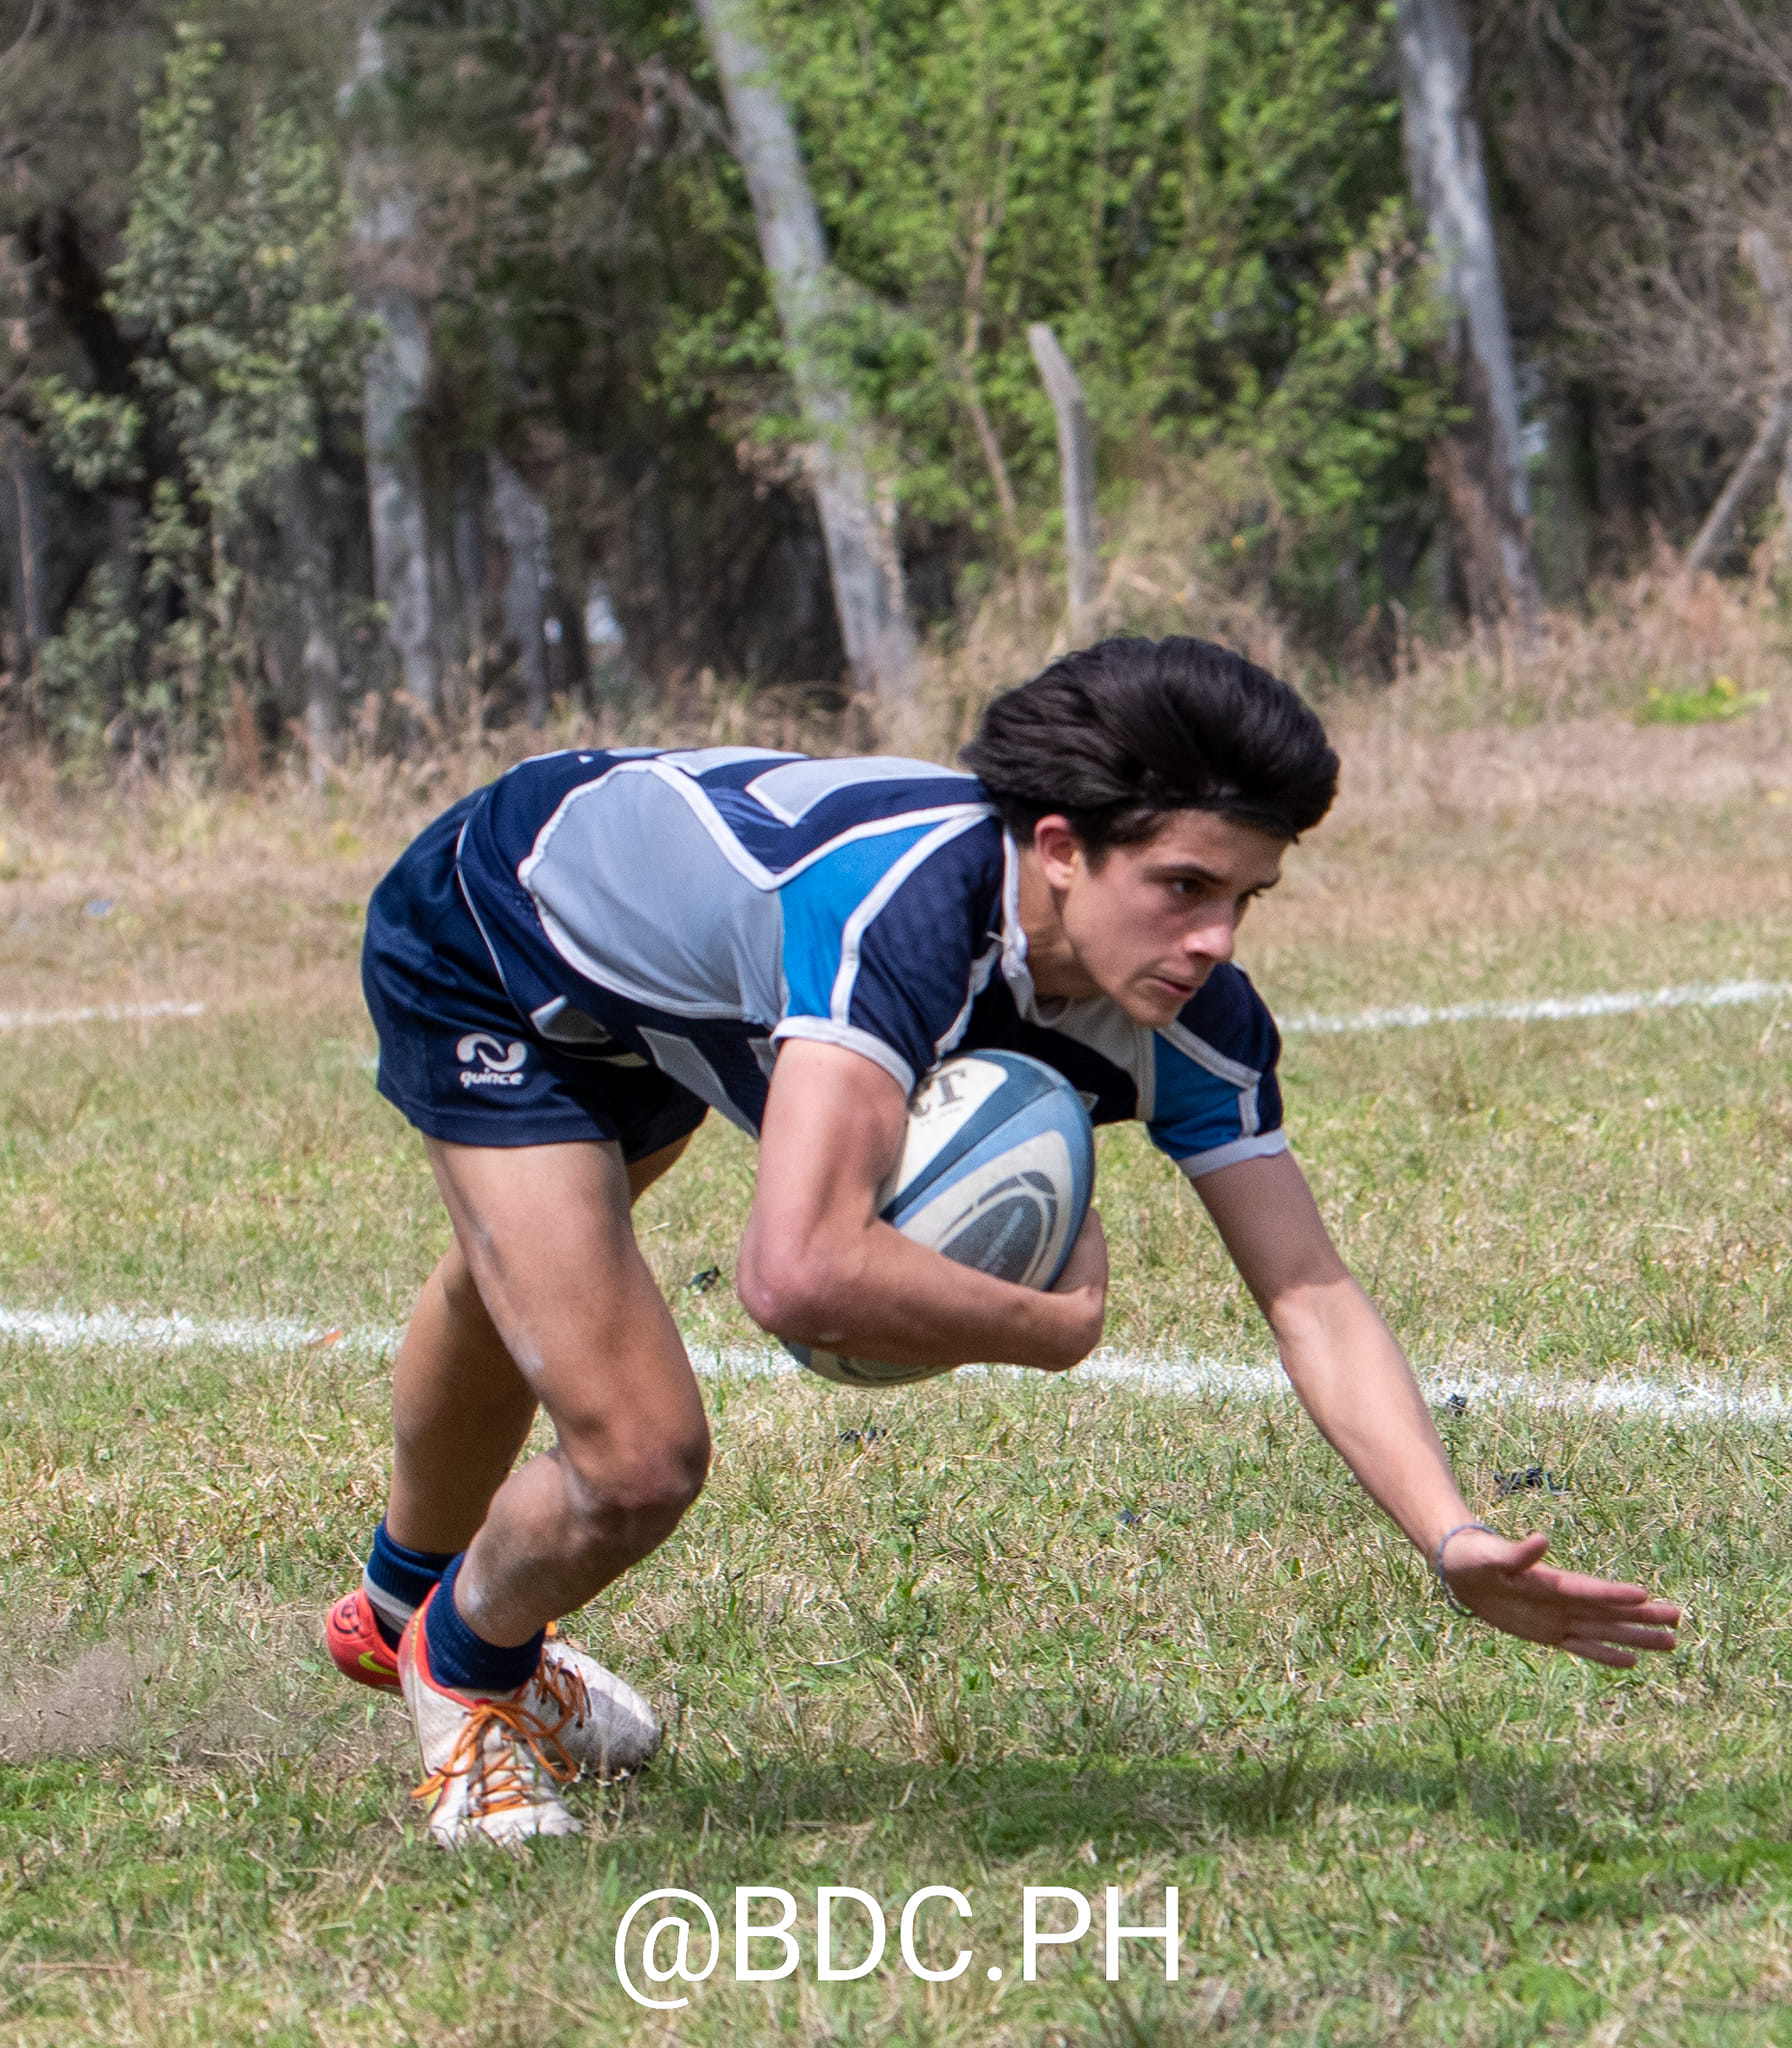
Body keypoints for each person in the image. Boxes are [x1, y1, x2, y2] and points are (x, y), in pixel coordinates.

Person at [326, 635, 1680, 1846]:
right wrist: (1052, 1329)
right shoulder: (899, 917)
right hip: (497, 930)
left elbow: (1311, 1293)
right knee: (640, 1453)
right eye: (1183, 885)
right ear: (1055, 848)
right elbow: (792, 1276)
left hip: (694, 979)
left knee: (543, 1283)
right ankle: (466, 1666)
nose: (1213, 939)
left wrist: (1449, 1537)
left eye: (1246, 900)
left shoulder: (1195, 1020)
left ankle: (393, 1611)